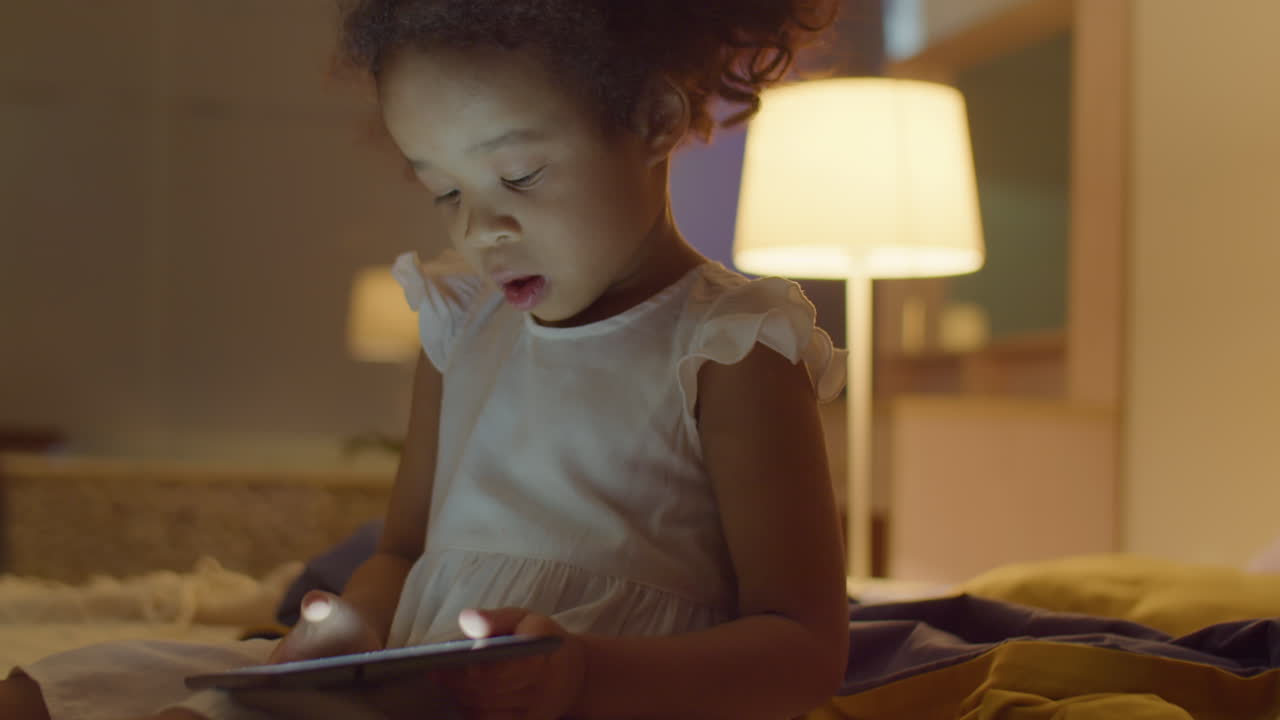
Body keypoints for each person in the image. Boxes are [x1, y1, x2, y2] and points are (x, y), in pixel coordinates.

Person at [0, 0, 851, 717]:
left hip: (589, 701)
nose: (479, 229)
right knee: (62, 689)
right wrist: (354, 629)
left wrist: (583, 672)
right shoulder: (459, 327)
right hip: (412, 681)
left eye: (517, 177)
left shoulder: (730, 344)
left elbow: (804, 646)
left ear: (656, 121)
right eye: (445, 191)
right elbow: (400, 552)